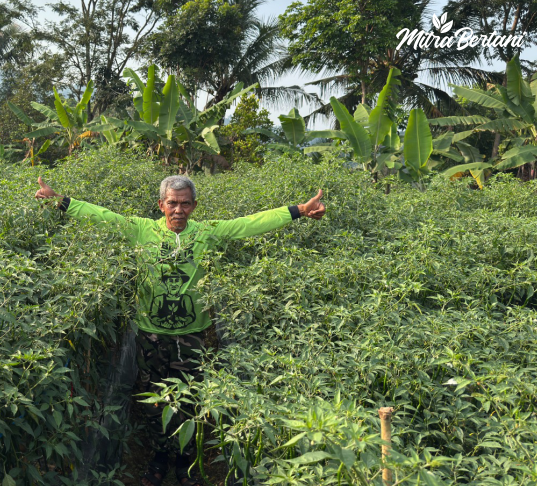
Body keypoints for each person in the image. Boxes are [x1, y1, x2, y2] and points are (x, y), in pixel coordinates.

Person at [34, 175, 326, 486]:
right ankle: (160, 456)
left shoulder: (207, 233)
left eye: (185, 203)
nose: (178, 210)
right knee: (154, 401)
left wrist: (297, 210)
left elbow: (250, 223)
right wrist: (60, 200)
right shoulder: (141, 230)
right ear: (160, 205)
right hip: (150, 335)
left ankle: (187, 461)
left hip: (191, 336)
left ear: (194, 206)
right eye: (172, 203)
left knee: (190, 401)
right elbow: (102, 216)